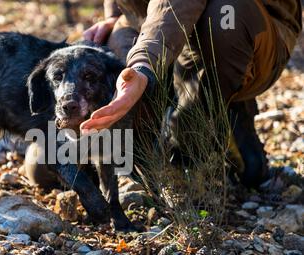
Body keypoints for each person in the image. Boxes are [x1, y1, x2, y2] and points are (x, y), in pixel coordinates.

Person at [81, 0, 302, 187]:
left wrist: (143, 64)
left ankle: (193, 139)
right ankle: (148, 153)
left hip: (253, 25)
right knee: (114, 46)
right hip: (151, 22)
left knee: (225, 16)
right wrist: (114, 15)